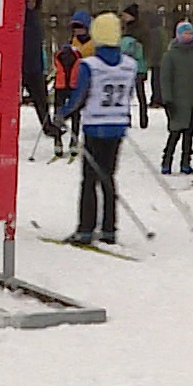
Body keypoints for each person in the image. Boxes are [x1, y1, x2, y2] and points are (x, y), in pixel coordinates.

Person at [49, 13, 135, 246]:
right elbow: (130, 94)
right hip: (117, 126)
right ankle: (109, 229)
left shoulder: (90, 65)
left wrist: (62, 113)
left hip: (96, 126)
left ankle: (85, 229)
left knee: (89, 179)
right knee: (108, 177)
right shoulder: (129, 64)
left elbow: (80, 96)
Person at [156, 21, 193, 174]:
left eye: (190, 33)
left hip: (192, 102)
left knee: (189, 135)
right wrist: (167, 98)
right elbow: (165, 78)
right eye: (184, 33)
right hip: (176, 101)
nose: (187, 36)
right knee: (175, 133)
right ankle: (167, 161)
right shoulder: (170, 56)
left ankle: (186, 162)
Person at [50, 11, 94, 159]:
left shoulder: (93, 44)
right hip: (67, 81)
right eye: (75, 28)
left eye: (80, 27)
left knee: (76, 112)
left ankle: (74, 139)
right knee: (60, 110)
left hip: (83, 82)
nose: (78, 31)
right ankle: (58, 140)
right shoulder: (69, 44)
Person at [118, 3, 151, 130]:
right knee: (136, 93)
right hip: (137, 65)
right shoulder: (134, 28)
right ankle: (141, 118)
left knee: (136, 93)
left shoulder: (135, 30)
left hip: (135, 65)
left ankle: (136, 118)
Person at [22, 0, 52, 134]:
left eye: (33, 2)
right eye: (28, 2)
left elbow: (39, 45)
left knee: (41, 98)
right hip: (21, 65)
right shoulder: (21, 20)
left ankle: (47, 125)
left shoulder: (35, 21)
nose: (31, 5)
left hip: (35, 65)